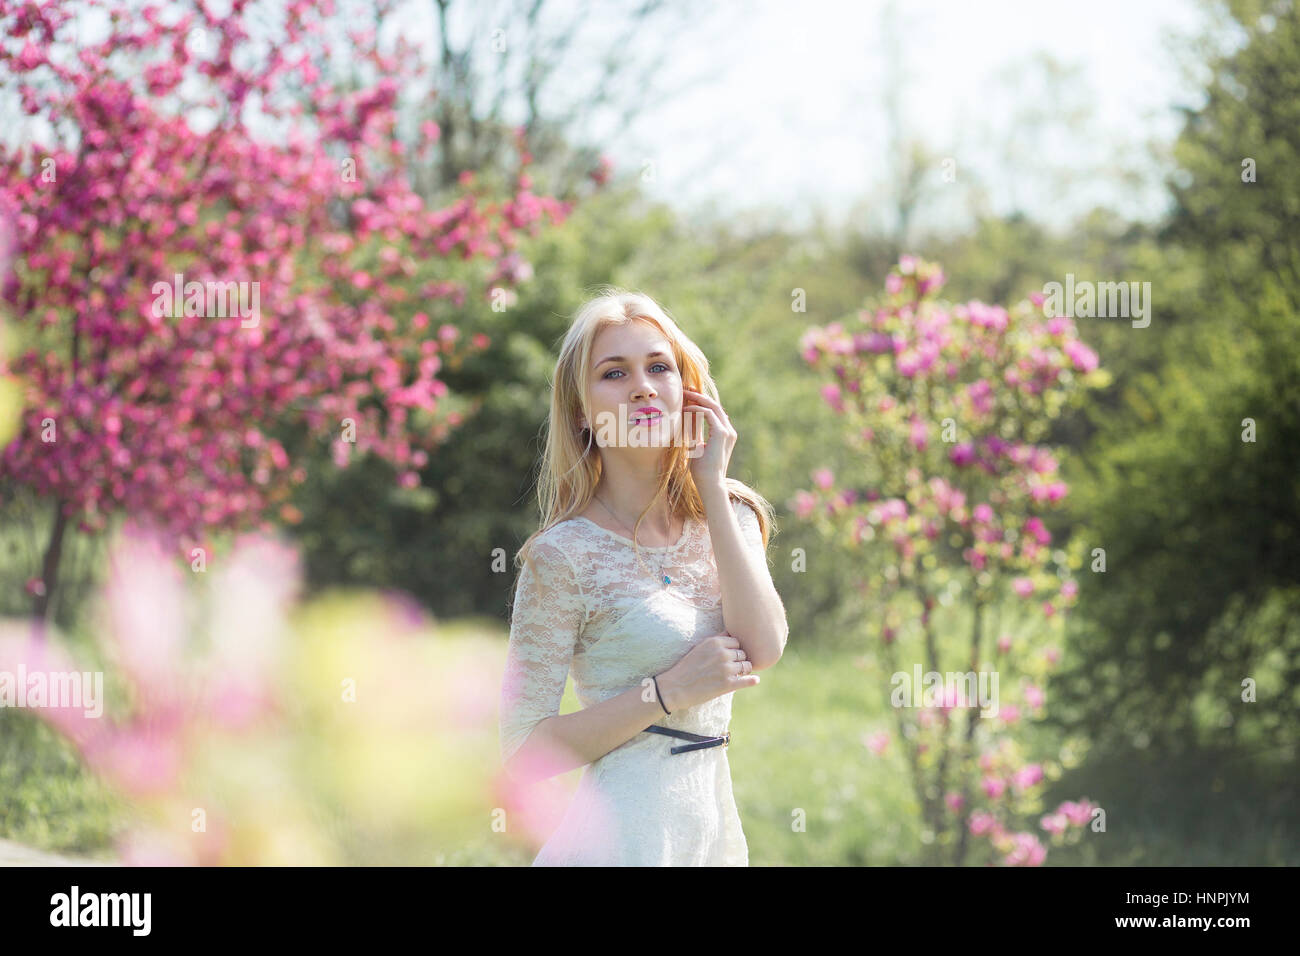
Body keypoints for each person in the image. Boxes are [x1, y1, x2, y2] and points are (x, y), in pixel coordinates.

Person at [499, 287, 789, 866]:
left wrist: (709, 482)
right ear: (581, 410)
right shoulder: (562, 556)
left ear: (686, 389)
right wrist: (665, 693)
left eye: (659, 366)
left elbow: (763, 648)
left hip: (712, 836)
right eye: (614, 373)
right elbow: (524, 754)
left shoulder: (730, 515)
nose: (642, 386)